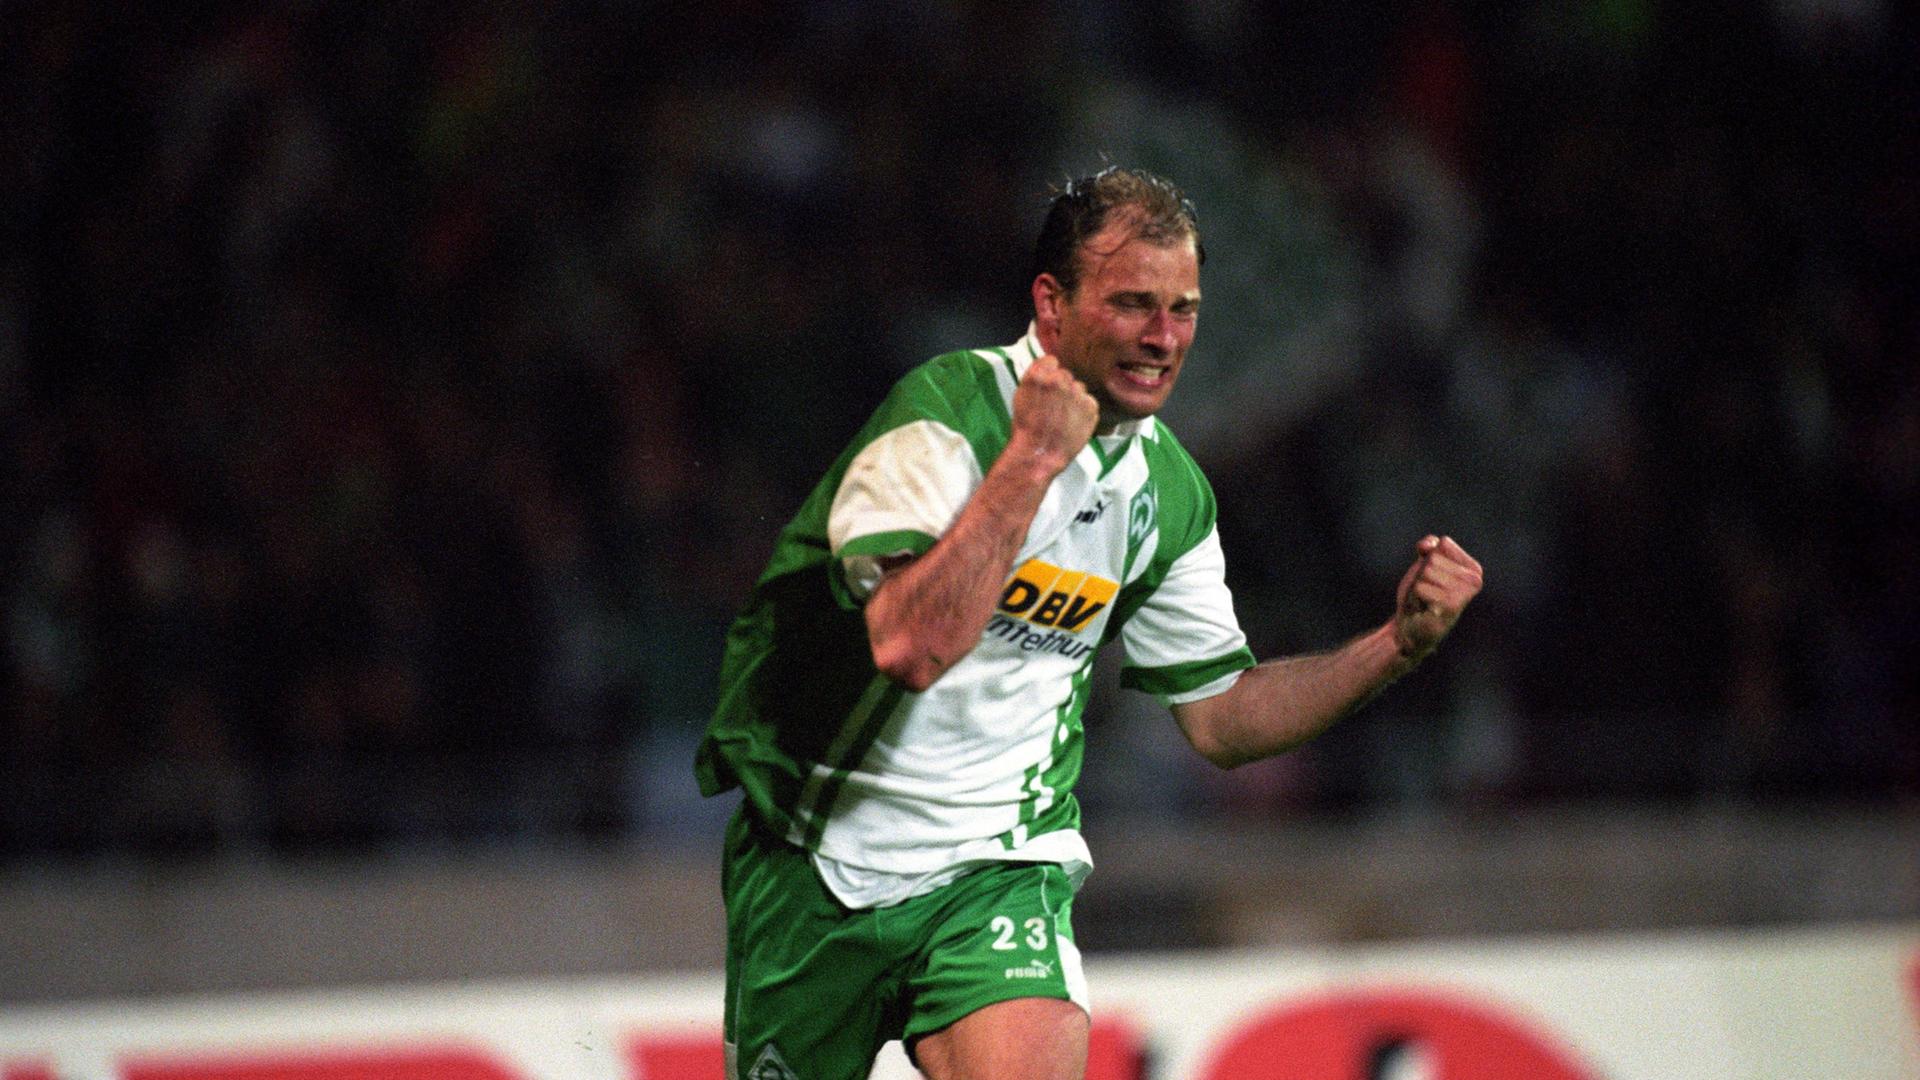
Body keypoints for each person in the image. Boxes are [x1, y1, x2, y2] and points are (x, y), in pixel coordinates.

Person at [694, 166, 1483, 1080]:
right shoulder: (946, 416)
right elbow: (911, 646)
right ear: (1051, 304)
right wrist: (1032, 461)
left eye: (1183, 310)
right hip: (812, 857)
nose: (1163, 338)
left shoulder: (1168, 493)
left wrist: (1395, 646)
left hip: (998, 869)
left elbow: (1224, 717)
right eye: (1133, 303)